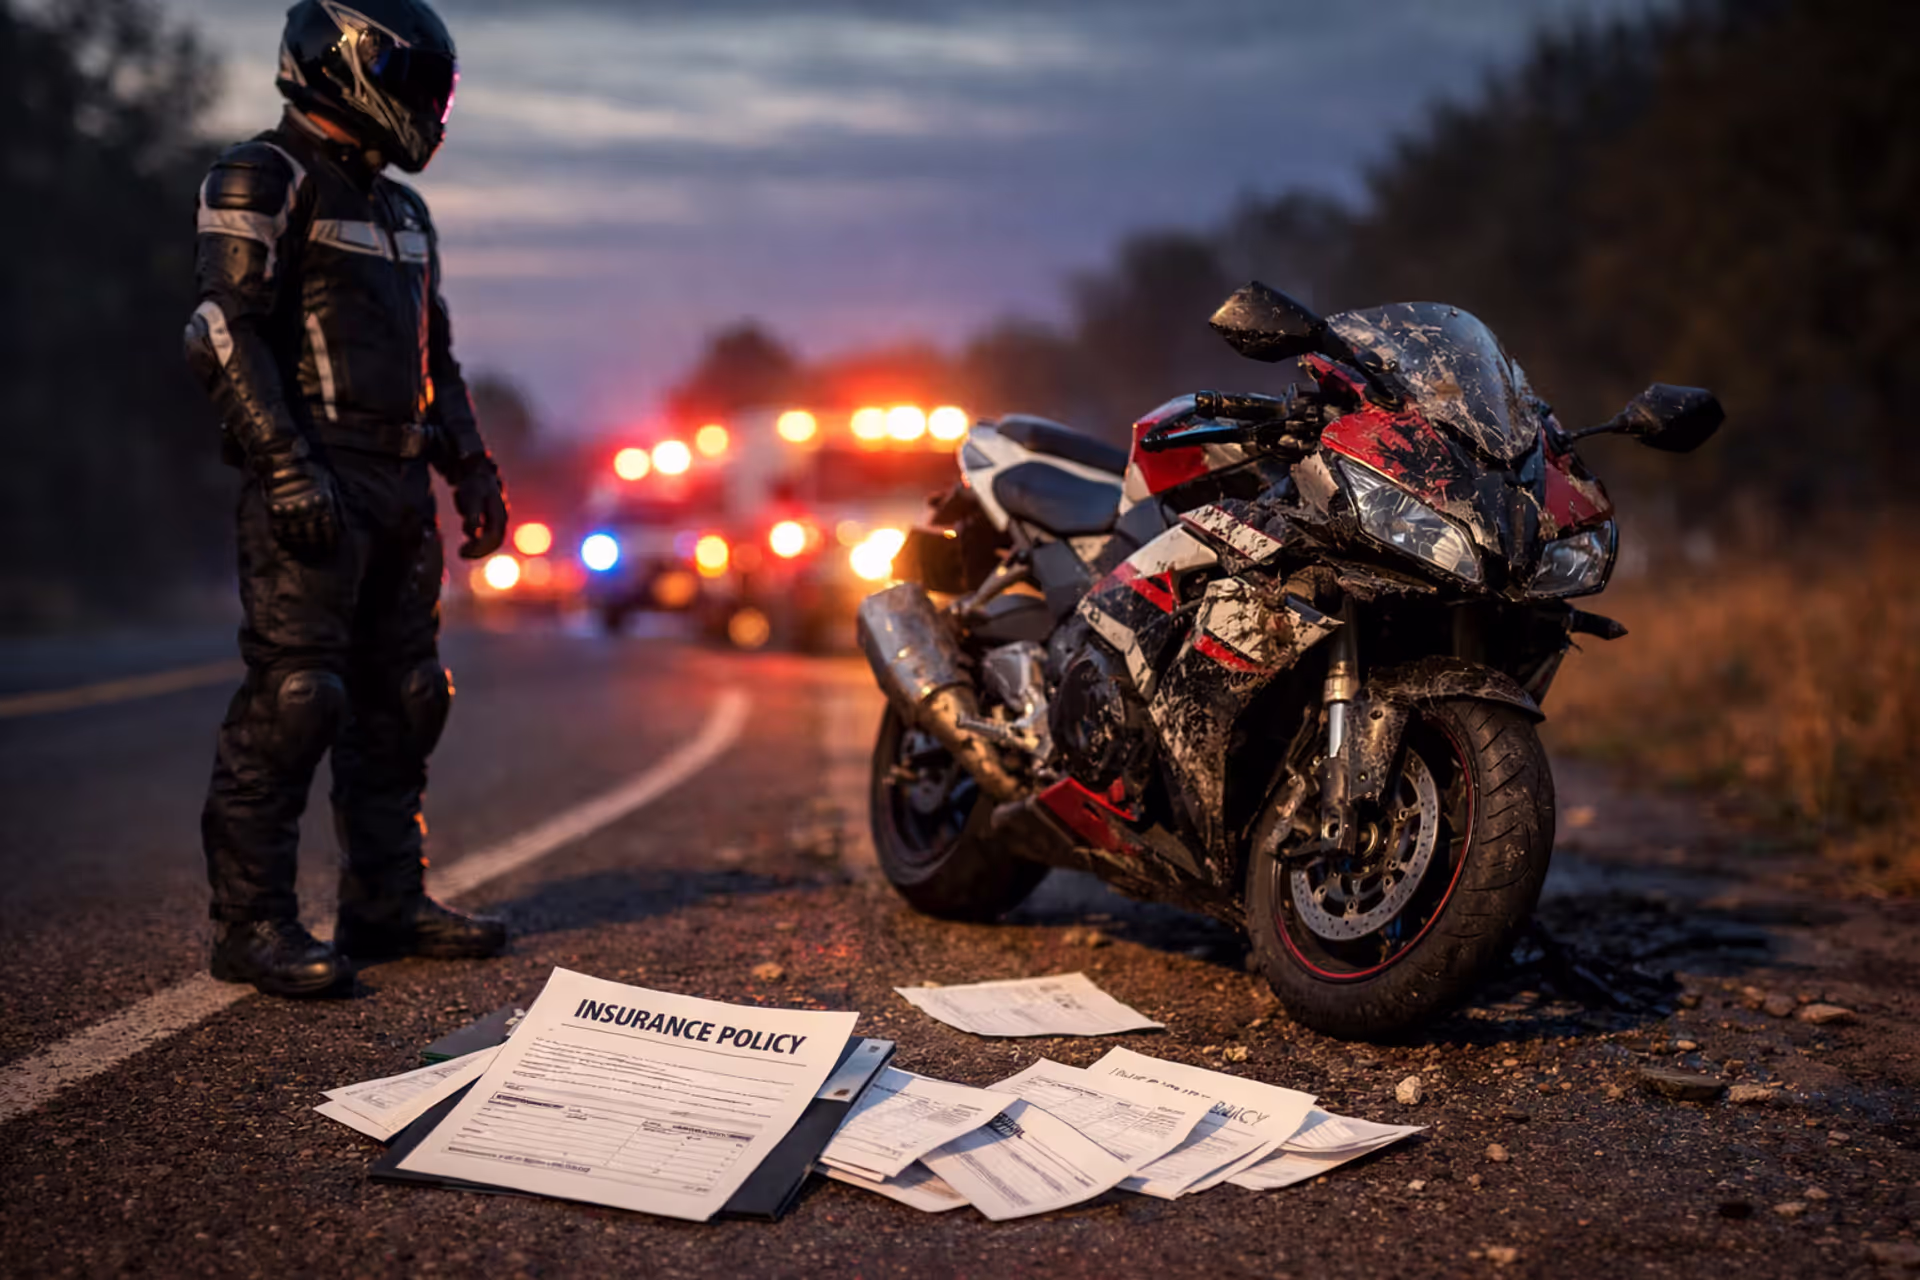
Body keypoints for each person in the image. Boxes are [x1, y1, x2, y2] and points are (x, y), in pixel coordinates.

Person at [183, 0, 509, 996]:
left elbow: (434, 358)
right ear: (346, 68)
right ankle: (253, 924)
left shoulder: (404, 213)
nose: (428, 110)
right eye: (416, 85)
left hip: (399, 481)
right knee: (296, 698)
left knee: (405, 699)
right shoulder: (263, 174)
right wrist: (284, 464)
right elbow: (221, 330)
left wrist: (472, 467)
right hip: (317, 476)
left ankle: (385, 899)